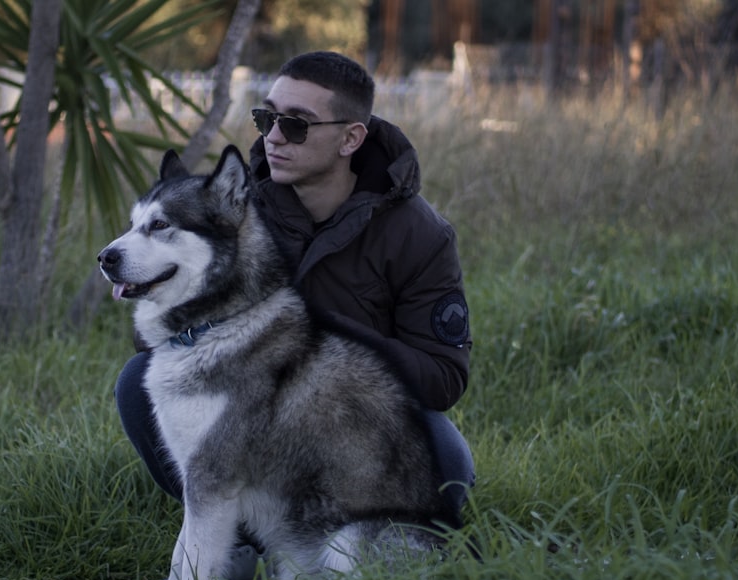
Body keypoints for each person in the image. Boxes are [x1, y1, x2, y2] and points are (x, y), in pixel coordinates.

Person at [115, 51, 474, 536]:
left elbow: (442, 378)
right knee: (140, 381)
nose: (275, 136)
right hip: (244, 402)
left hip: (353, 419)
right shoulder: (231, 210)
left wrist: (313, 332)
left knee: (446, 459)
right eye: (267, 118)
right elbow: (159, 333)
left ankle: (349, 548)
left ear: (351, 137)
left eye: (297, 125)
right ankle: (242, 541)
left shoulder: (420, 234)